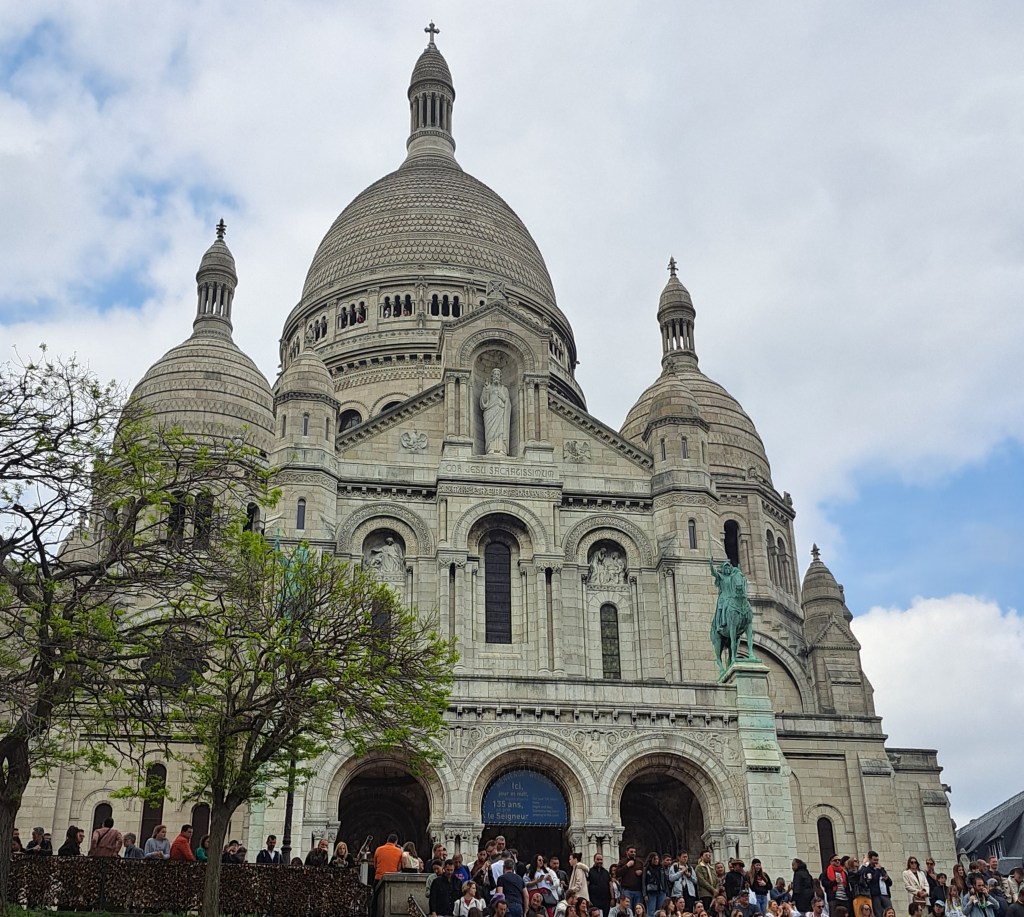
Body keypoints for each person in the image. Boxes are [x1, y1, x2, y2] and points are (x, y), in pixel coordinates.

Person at [480, 367, 511, 455]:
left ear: (500, 377)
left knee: (500, 431)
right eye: (495, 375)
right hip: (490, 412)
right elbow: (483, 402)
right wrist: (486, 390)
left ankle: (501, 449)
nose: (496, 376)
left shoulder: (504, 389)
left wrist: (503, 398)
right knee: (490, 432)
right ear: (492, 377)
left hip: (501, 412)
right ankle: (490, 448)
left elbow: (508, 403)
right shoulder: (488, 387)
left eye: (498, 375)